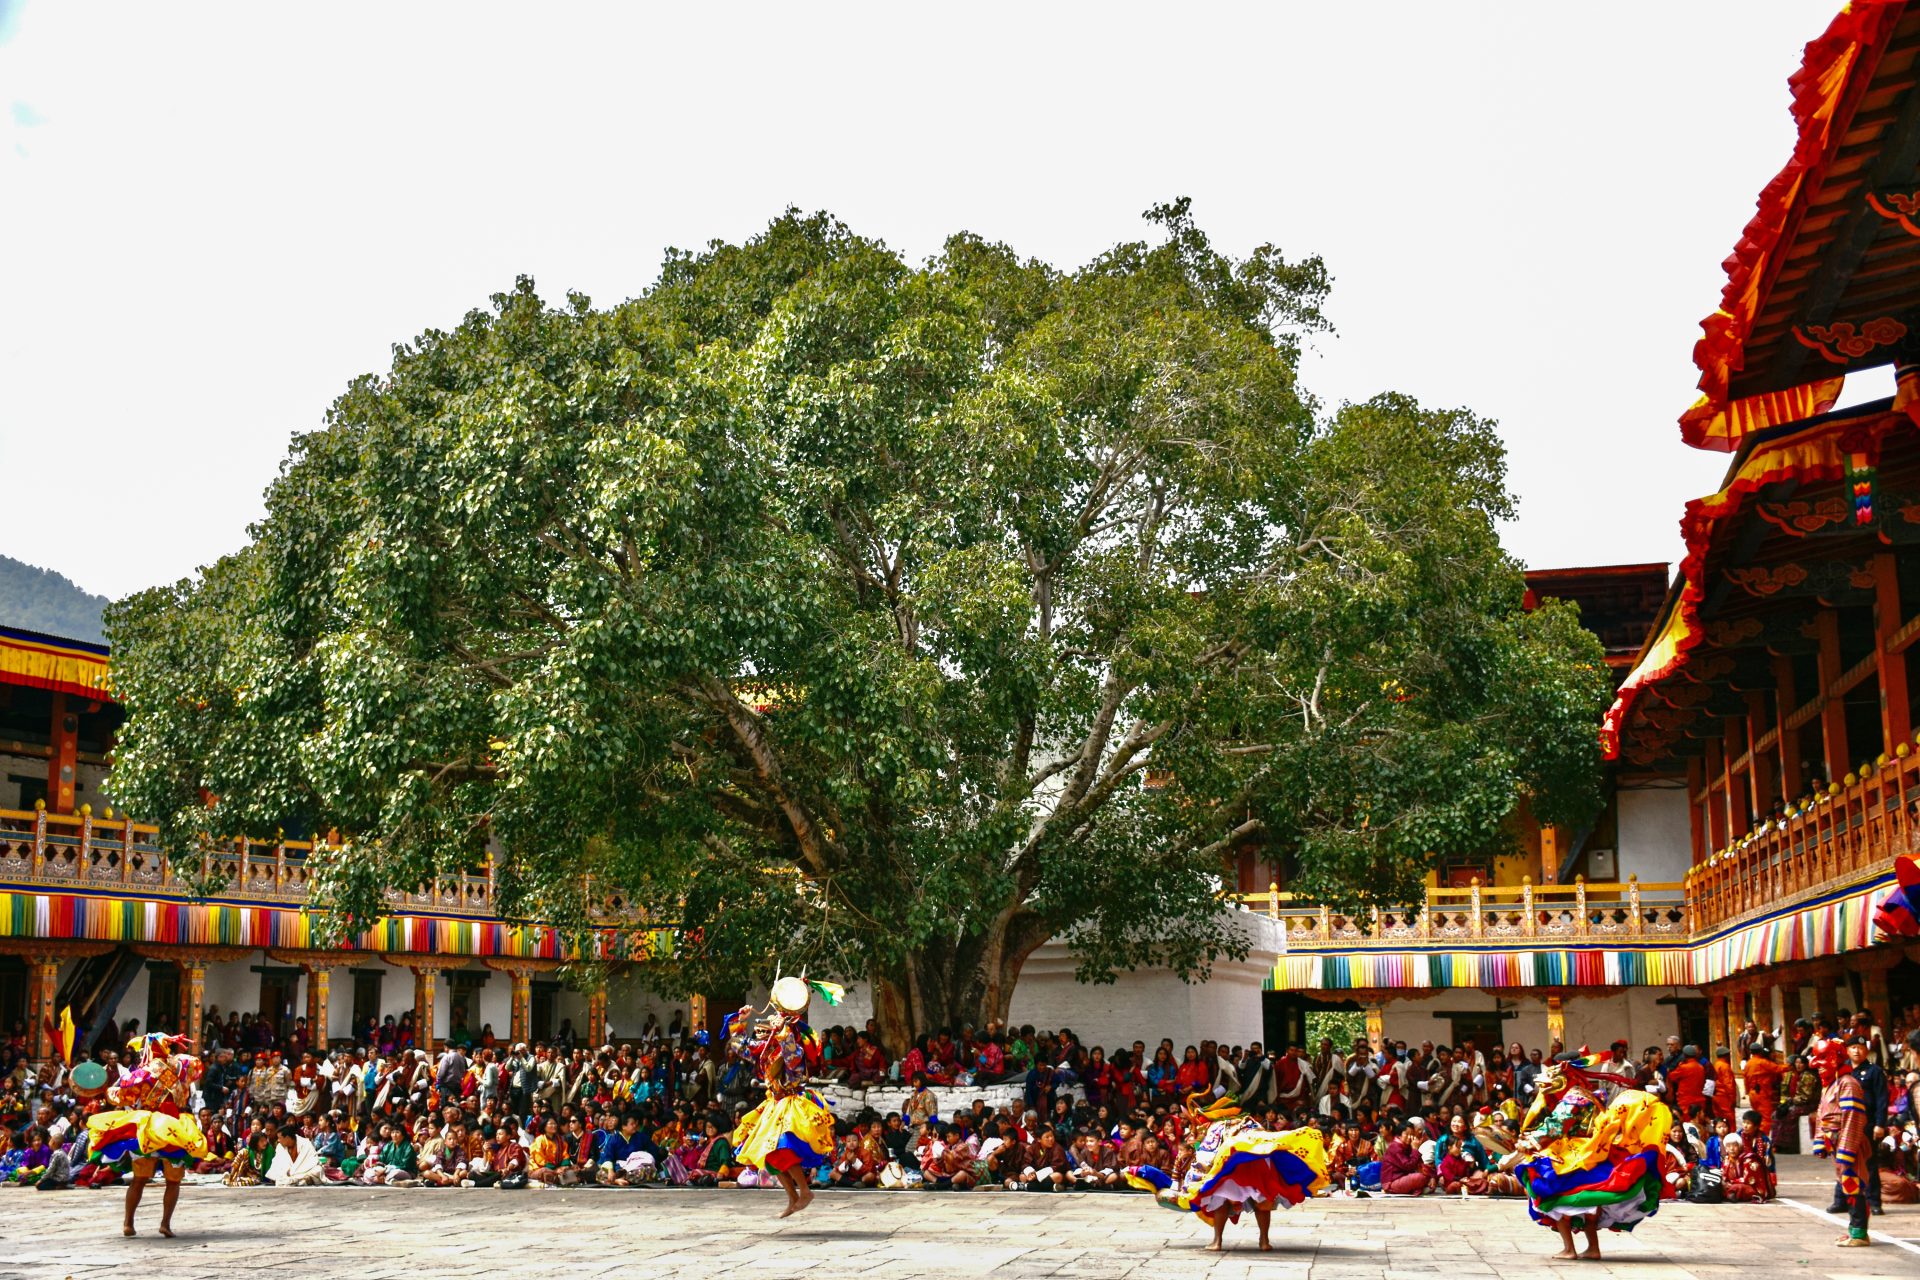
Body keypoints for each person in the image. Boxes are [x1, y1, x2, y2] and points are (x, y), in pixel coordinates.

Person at [1124, 1089, 1329, 1252]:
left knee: (1219, 1198)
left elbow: (1207, 1156)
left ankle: (1217, 1241)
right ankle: (1264, 1241)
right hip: (1258, 1164)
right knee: (1261, 1201)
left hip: (1234, 1166)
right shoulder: (1249, 1122)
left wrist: (1196, 1181)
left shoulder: (1215, 1128)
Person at [1511, 1052, 1669, 1261]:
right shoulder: (1592, 1096)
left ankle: (1569, 1249)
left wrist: (1530, 1143)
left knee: (1552, 1197)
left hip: (1573, 1155)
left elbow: (1555, 1127)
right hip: (1594, 1154)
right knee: (1589, 1206)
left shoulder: (1573, 1099)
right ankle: (1593, 1248)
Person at [726, 977, 838, 1218]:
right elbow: (737, 1046)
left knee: (782, 1148)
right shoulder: (763, 1052)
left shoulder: (792, 1048)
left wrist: (784, 1031)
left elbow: (793, 1059)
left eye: (763, 1033)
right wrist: (740, 1022)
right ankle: (793, 1196)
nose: (759, 1037)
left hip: (792, 1102)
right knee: (766, 1155)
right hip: (775, 1103)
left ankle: (805, 1191)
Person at [85, 1033, 209, 1238]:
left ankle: (128, 1223)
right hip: (175, 1127)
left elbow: (121, 1096)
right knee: (173, 1180)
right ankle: (165, 1224)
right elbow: (196, 1068)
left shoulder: (141, 1074)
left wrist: (106, 1091)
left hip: (149, 1127)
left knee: (139, 1179)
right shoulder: (182, 1067)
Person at [1815, 1041, 1873, 1248]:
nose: (1817, 1065)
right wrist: (1821, 1141)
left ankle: (1859, 1233)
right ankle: (1854, 1230)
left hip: (1847, 1141)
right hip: (1835, 1141)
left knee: (1853, 1184)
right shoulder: (1831, 1084)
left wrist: (1847, 1149)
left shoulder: (1848, 1083)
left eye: (1822, 1061)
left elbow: (1853, 1118)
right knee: (1848, 1184)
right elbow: (1823, 1115)